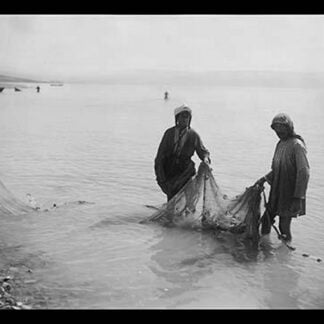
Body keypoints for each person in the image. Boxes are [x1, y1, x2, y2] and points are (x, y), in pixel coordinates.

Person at [255, 113, 310, 243]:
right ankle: (265, 249)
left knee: (283, 226)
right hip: (276, 191)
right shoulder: (280, 144)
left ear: (289, 127)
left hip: (290, 193)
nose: (279, 132)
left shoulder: (297, 145)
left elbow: (304, 172)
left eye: (282, 128)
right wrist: (263, 179)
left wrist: (298, 197)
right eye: (276, 129)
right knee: (266, 221)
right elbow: (276, 170)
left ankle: (285, 255)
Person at [154, 104, 211, 201]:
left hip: (186, 172)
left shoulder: (193, 135)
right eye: (183, 116)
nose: (185, 119)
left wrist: (205, 159)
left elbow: (203, 151)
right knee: (172, 199)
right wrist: (161, 177)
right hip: (171, 172)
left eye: (187, 117)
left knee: (190, 200)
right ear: (177, 118)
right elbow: (160, 157)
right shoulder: (169, 134)